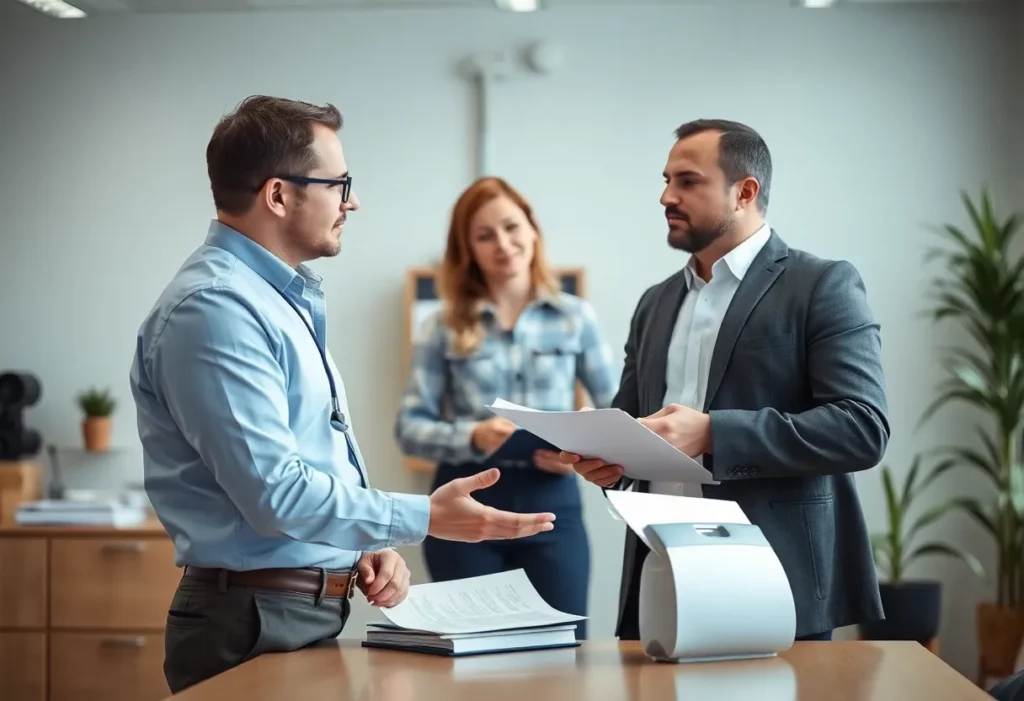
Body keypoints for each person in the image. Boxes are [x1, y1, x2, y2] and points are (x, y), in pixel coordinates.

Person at [129, 96, 557, 693]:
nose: (350, 201)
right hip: (253, 621)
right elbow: (275, 493)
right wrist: (426, 516)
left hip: (298, 611)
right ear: (279, 195)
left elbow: (298, 469)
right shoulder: (214, 308)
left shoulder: (276, 300)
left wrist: (362, 546)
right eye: (338, 183)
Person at [562, 119, 890, 642]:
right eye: (666, 180)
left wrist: (713, 432)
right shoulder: (655, 302)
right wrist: (603, 456)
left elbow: (862, 427)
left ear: (745, 191)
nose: (666, 195)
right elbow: (635, 427)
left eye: (687, 181)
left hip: (776, 575)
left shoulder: (822, 285)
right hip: (660, 569)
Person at [393, 176, 619, 639]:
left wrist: (580, 452)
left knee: (563, 652)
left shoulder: (576, 317)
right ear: (467, 250)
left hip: (553, 503)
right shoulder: (443, 326)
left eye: (512, 227)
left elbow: (619, 417)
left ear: (533, 230)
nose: (504, 244)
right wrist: (470, 436)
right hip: (465, 500)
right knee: (473, 657)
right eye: (484, 235)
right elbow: (409, 428)